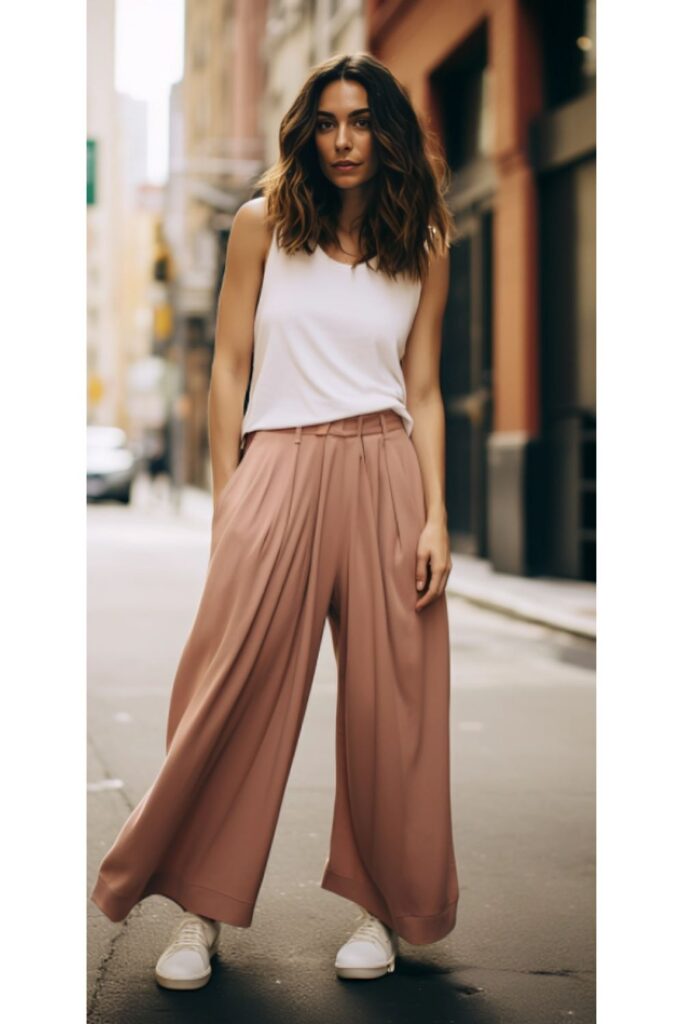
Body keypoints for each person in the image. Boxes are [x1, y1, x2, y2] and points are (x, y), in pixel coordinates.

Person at [90, 52, 460, 989]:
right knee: (231, 689)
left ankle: (382, 910)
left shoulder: (420, 241)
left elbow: (424, 386)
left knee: (395, 702)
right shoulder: (262, 227)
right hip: (280, 464)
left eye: (363, 122)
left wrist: (437, 517)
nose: (344, 141)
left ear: (390, 134)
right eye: (329, 122)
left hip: (386, 466)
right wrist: (232, 500)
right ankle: (198, 913)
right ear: (306, 130)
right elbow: (225, 369)